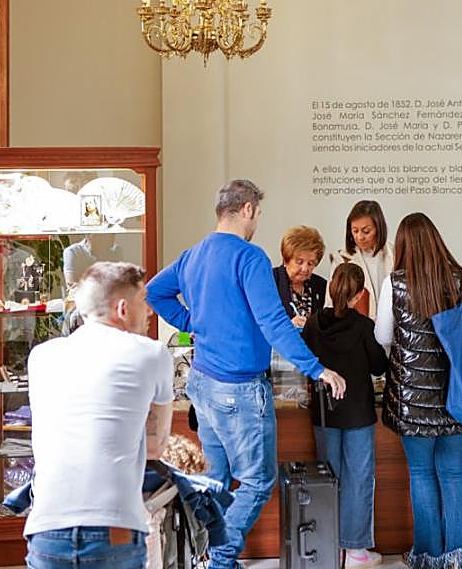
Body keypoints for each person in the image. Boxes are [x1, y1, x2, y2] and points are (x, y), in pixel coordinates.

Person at [146, 179, 346, 569]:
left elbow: (155, 292)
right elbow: (274, 323)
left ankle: (209, 554)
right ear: (249, 209)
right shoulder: (250, 257)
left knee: (217, 479)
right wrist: (317, 368)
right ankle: (220, 558)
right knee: (257, 482)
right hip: (238, 388)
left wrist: (193, 323)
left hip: (203, 383)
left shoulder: (194, 254)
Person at [24, 262, 174, 569]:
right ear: (122, 309)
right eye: (143, 301)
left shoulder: (42, 356)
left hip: (47, 528)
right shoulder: (152, 353)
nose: (149, 312)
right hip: (114, 527)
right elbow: (159, 445)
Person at [376, 213, 462, 569]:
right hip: (458, 395)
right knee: (454, 471)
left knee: (421, 473)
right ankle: (461, 554)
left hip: (412, 398)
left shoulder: (394, 284)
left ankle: (428, 555)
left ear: (403, 246)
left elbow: (383, 337)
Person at [301, 263, 389, 567]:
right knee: (359, 480)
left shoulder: (313, 323)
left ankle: (329, 546)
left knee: (329, 480)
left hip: (324, 415)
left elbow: (304, 362)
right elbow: (379, 366)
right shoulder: (365, 327)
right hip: (358, 414)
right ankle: (355, 551)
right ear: (360, 294)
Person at [328, 200, 394, 319]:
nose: (360, 237)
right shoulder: (342, 259)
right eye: (355, 231)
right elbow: (330, 304)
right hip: (355, 331)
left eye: (366, 231)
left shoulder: (395, 254)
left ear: (379, 228)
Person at [275, 225, 328, 328]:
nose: (305, 269)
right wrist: (288, 326)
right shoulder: (271, 280)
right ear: (286, 259)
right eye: (299, 262)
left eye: (310, 263)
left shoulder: (322, 286)